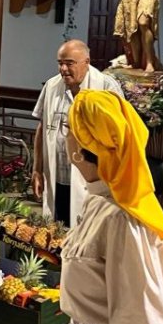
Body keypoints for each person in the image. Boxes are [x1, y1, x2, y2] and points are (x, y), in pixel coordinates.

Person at [60, 89, 163, 324]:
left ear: (83, 146)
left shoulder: (120, 216)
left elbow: (140, 317)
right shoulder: (101, 197)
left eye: (68, 129)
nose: (64, 137)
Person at [31, 40, 123, 227]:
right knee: (56, 233)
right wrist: (37, 169)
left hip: (92, 182)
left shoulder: (106, 87)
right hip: (57, 177)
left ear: (86, 62)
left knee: (86, 237)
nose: (63, 69)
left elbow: (120, 138)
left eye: (69, 63)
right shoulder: (51, 86)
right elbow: (42, 127)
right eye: (60, 63)